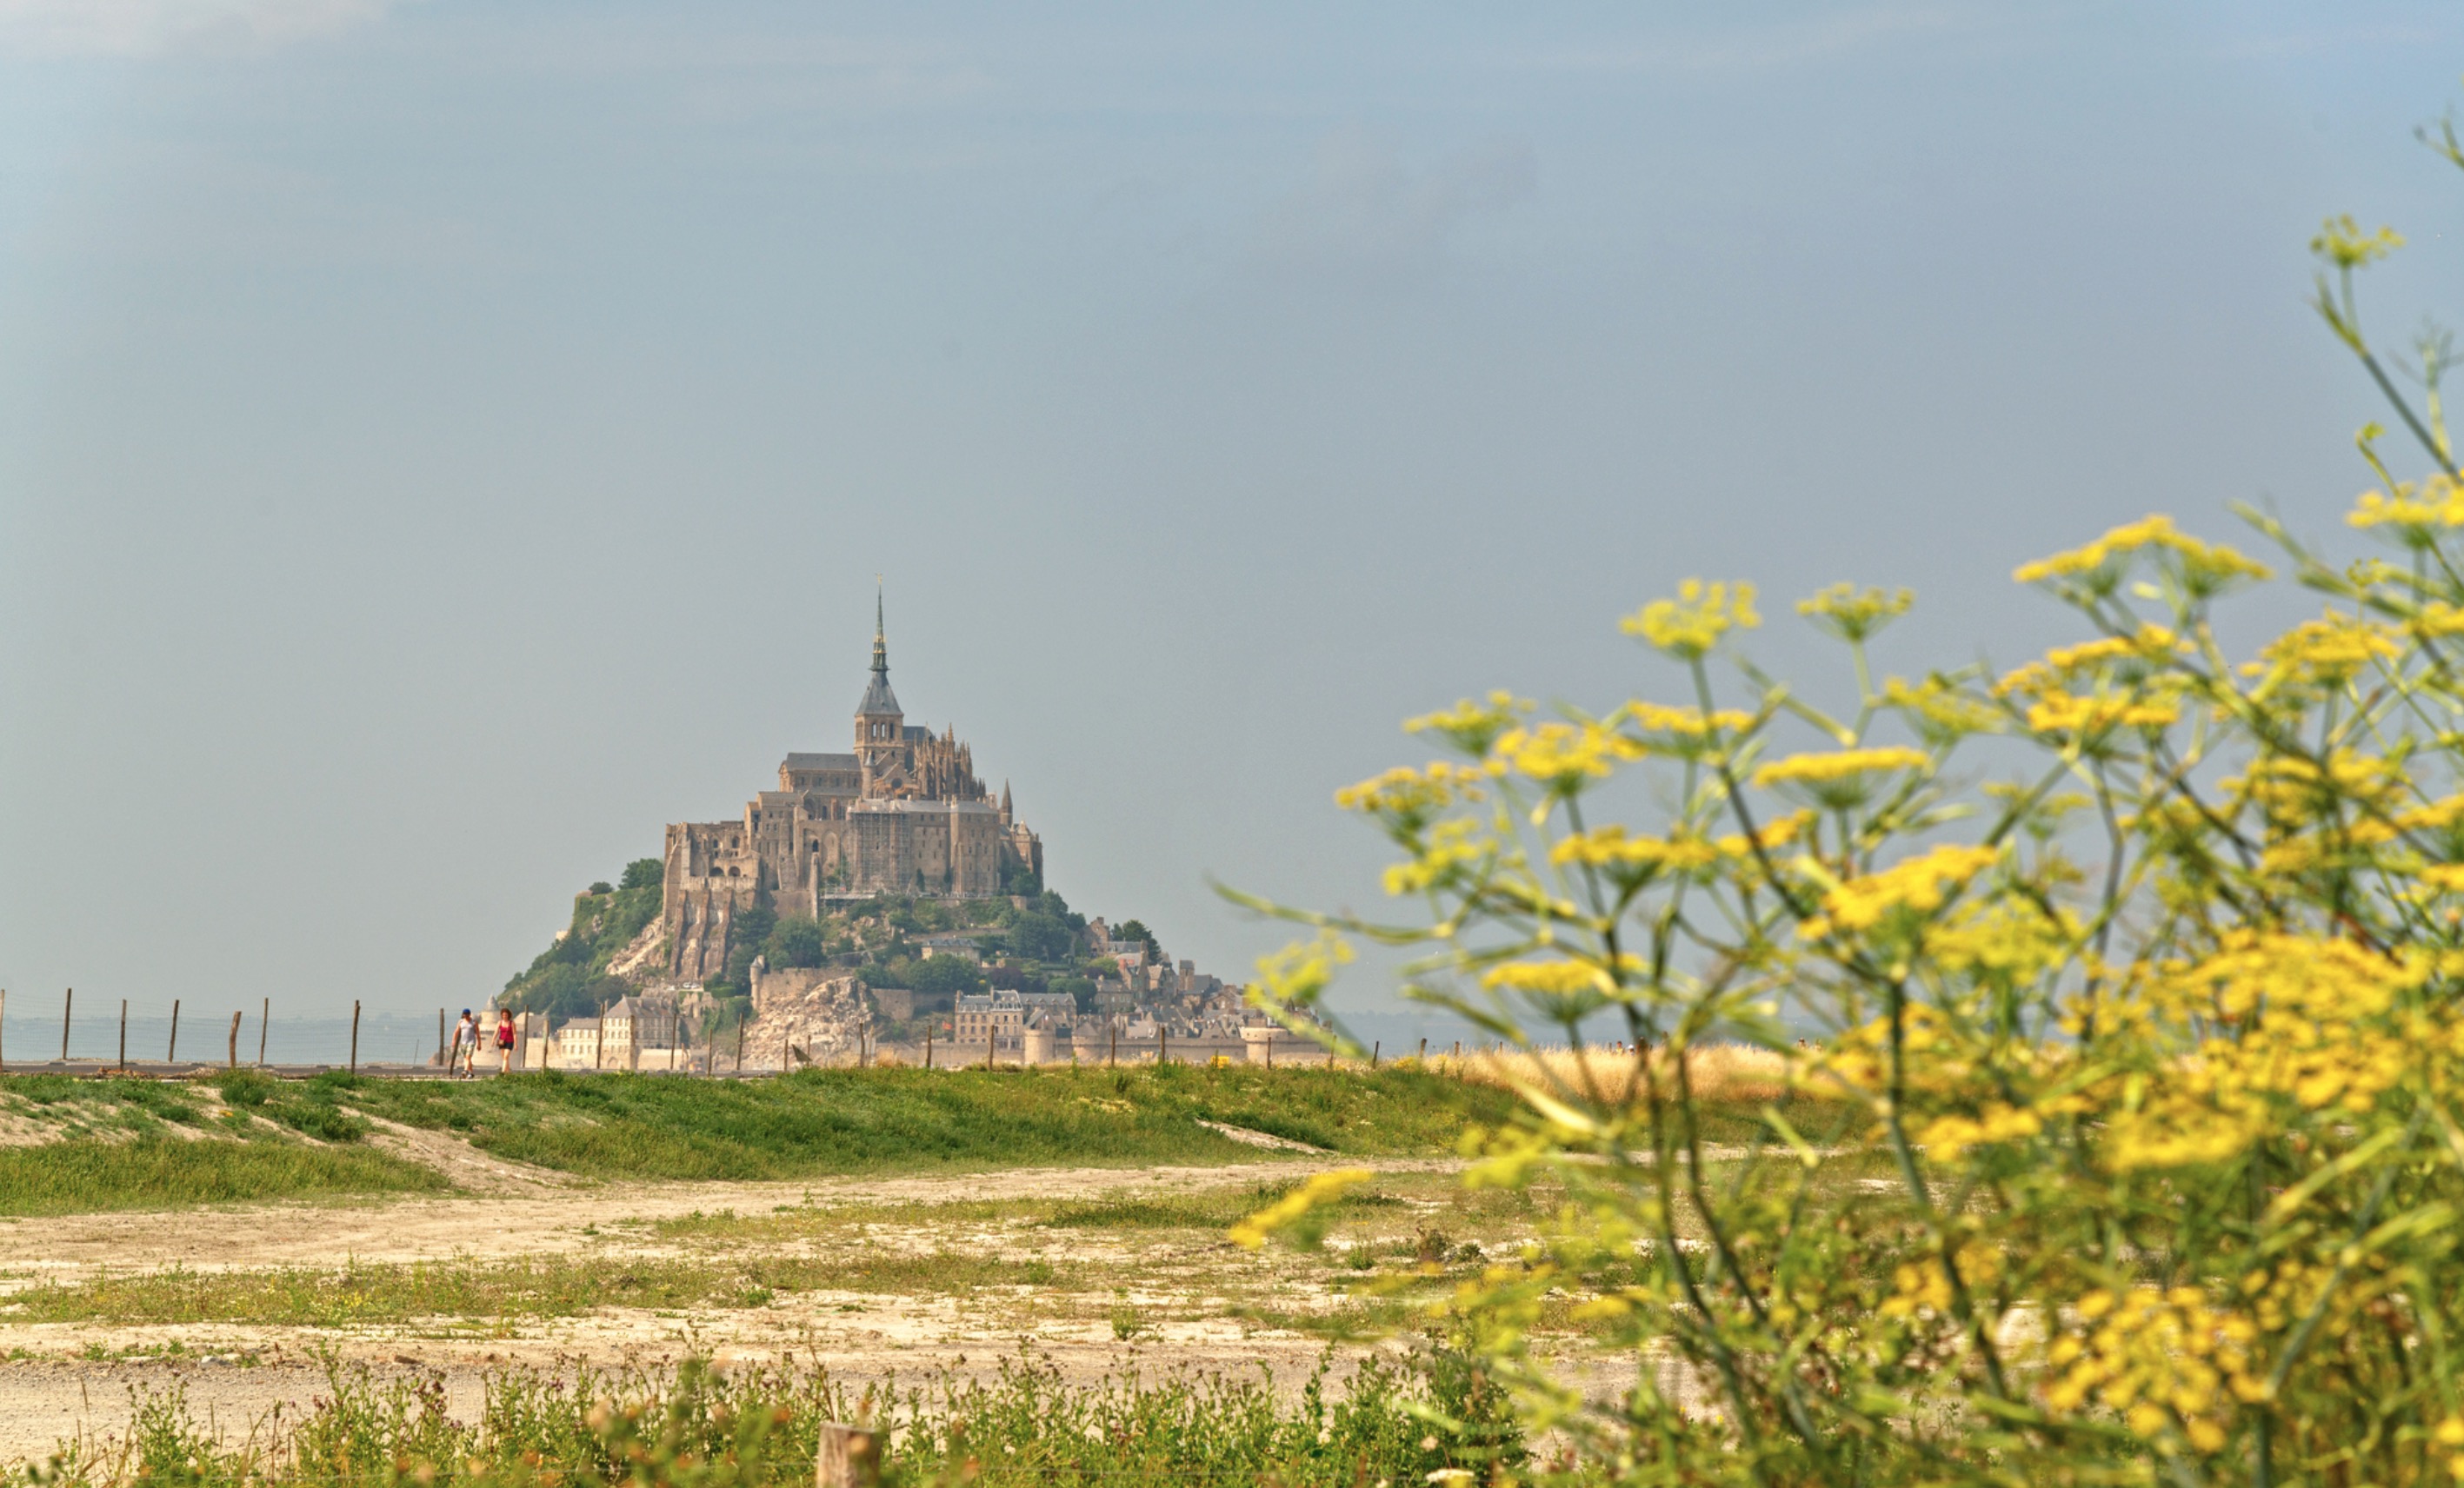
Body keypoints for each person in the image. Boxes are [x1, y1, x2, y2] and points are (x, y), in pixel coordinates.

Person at [451, 1009, 476, 1079]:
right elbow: (456, 1031)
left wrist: (479, 1043)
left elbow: (477, 1032)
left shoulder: (474, 1022)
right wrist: (454, 1040)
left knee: (468, 1057)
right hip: (463, 1042)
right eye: (464, 1014)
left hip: (471, 1042)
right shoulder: (461, 1022)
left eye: (467, 1014)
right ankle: (471, 1073)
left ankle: (465, 1071)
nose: (465, 1016)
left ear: (469, 1014)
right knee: (467, 1058)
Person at [496, 1008, 516, 1075]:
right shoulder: (500, 1022)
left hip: (510, 1041)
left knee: (506, 1057)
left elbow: (515, 1034)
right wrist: (493, 1040)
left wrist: (516, 1044)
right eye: (503, 1015)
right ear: (501, 1015)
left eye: (506, 1015)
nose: (504, 1016)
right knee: (505, 1058)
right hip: (502, 1042)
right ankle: (508, 1073)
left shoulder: (512, 1023)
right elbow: (496, 1032)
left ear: (508, 1015)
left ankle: (503, 1072)